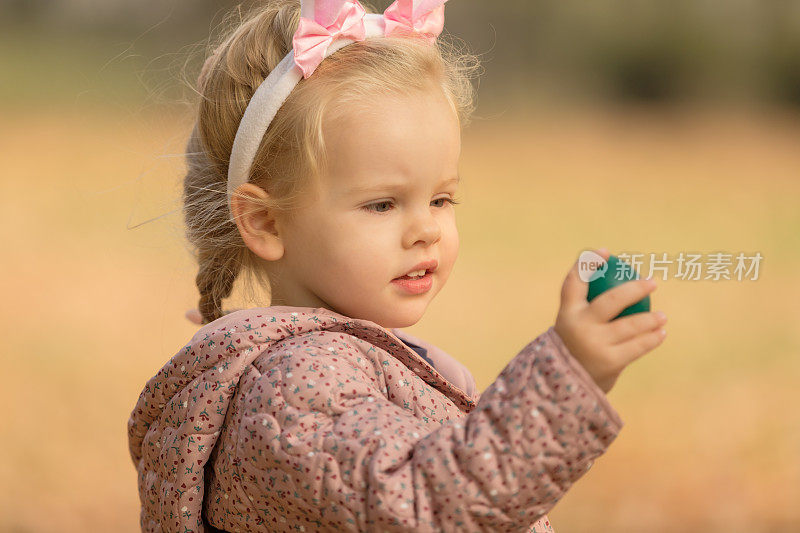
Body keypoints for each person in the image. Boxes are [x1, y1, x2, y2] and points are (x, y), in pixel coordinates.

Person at [127, 1, 668, 531]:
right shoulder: (296, 383)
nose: (426, 230)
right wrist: (569, 380)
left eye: (441, 200)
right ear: (267, 222)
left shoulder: (335, 362)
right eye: (383, 204)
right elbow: (431, 505)